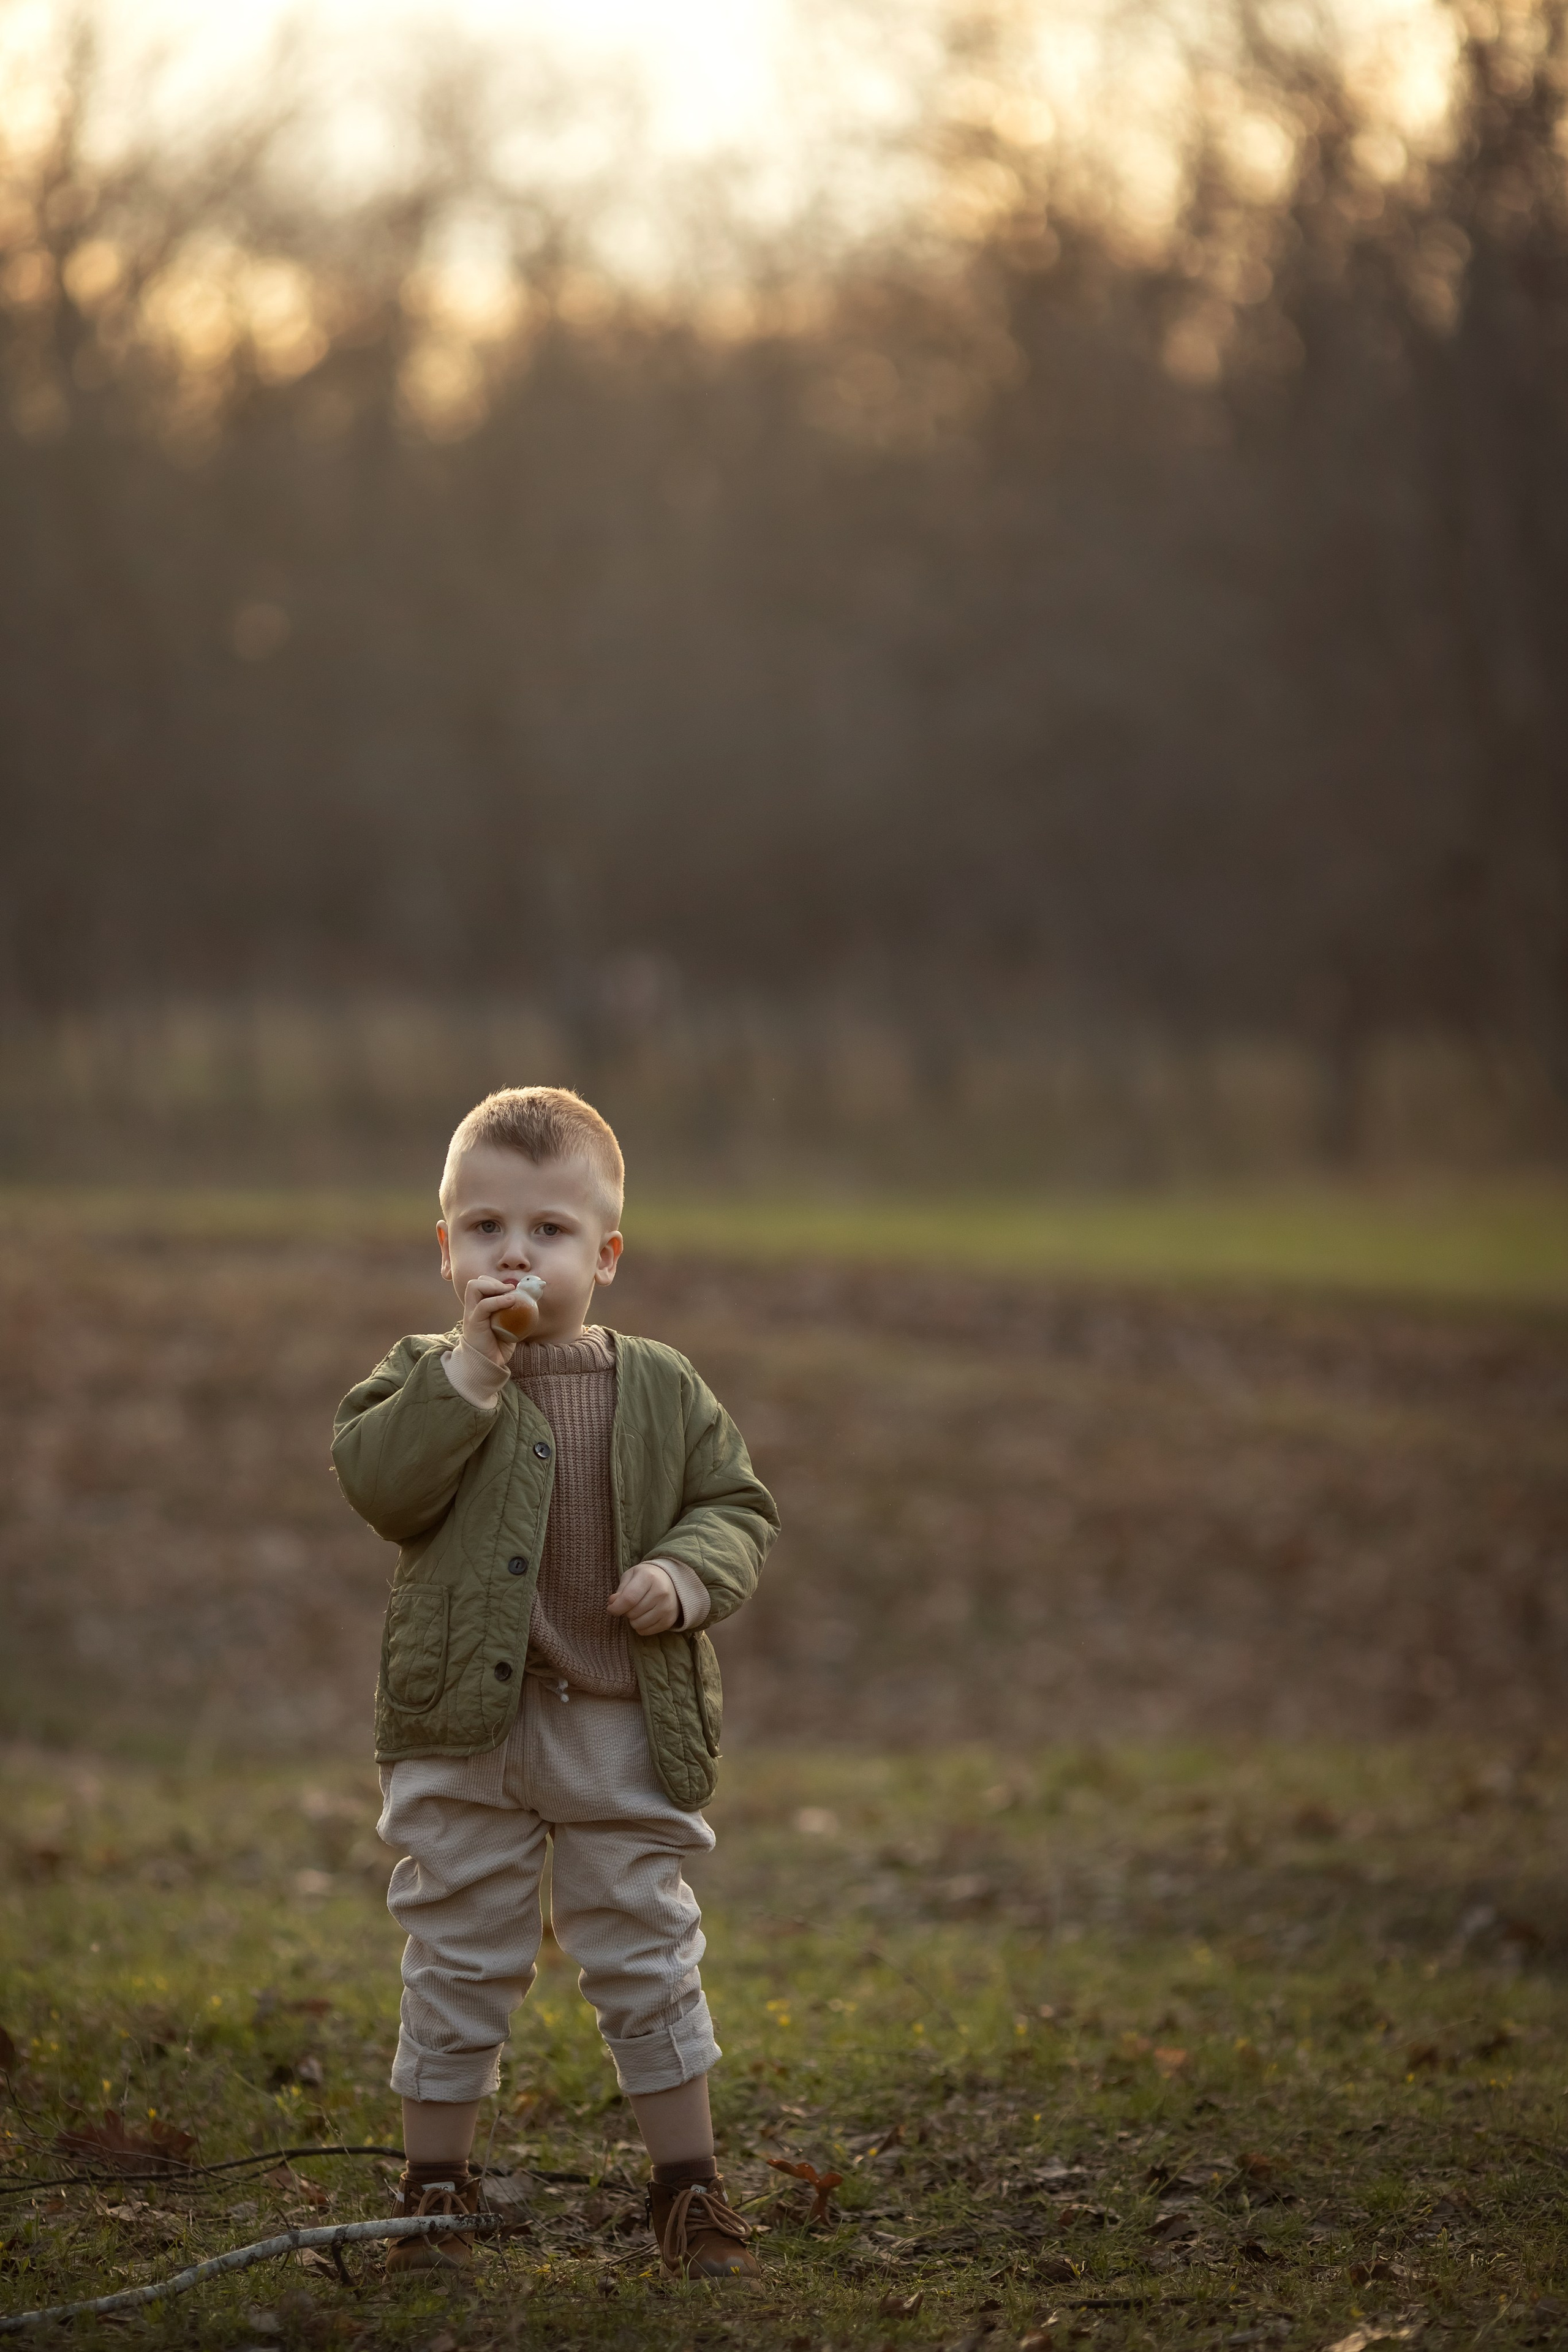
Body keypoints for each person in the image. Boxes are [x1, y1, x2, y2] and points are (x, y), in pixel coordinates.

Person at [331, 1085, 779, 2283]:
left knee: (641, 1941)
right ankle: (433, 2191)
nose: (512, 1252)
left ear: (607, 1255)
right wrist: (470, 1375)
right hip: (457, 1730)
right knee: (457, 1948)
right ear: (444, 1250)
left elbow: (735, 1507)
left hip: (619, 1722)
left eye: (548, 1230)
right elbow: (379, 1486)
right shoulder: (422, 1374)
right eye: (482, 1229)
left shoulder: (664, 1389)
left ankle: (687, 2188)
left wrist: (686, 1578)